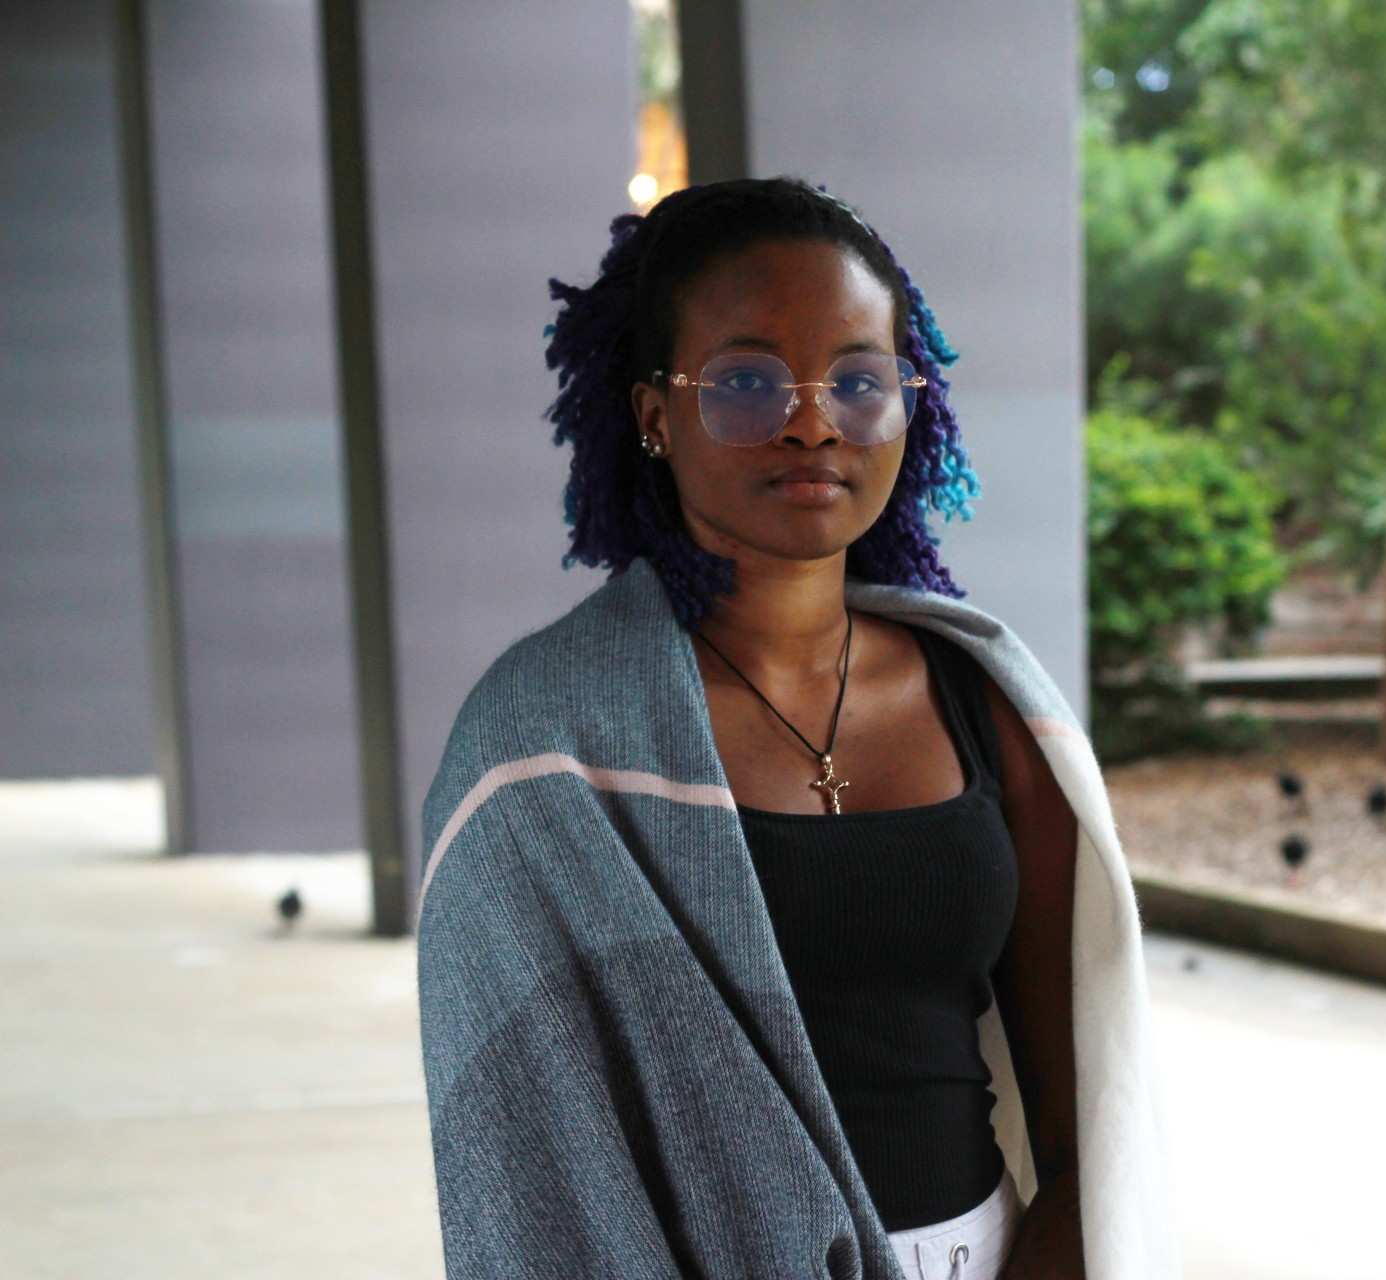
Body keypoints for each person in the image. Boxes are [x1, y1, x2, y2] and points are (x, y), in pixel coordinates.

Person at [416, 176, 1180, 1280]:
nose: (813, 418)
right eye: (744, 381)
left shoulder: (988, 702)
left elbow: (1084, 1138)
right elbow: (535, 1160)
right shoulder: (542, 748)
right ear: (651, 415)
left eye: (859, 380)